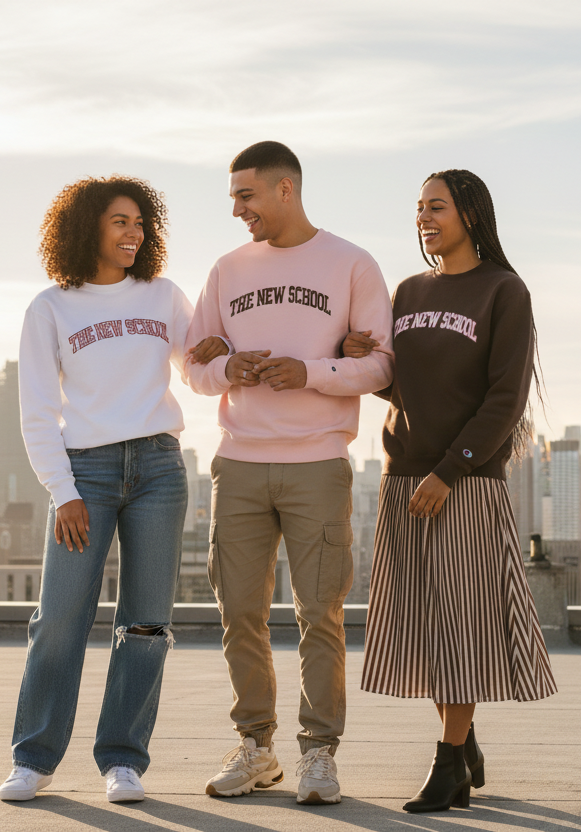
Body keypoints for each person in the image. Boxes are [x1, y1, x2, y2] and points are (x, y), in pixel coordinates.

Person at [0, 175, 229, 805]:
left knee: (146, 623)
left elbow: (200, 375)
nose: (134, 233)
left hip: (158, 466)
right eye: (120, 222)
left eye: (139, 223)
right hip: (86, 475)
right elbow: (38, 412)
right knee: (60, 618)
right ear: (87, 229)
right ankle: (35, 757)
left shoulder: (163, 296)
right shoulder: (51, 308)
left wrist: (223, 359)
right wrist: (62, 491)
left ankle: (123, 760)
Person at [183, 141, 394, 805]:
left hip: (318, 465)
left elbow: (383, 363)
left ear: (285, 190)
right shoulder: (225, 269)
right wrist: (227, 370)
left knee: (319, 616)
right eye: (233, 198)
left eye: (245, 196)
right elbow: (191, 365)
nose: (237, 209)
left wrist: (312, 372)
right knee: (239, 613)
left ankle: (319, 754)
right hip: (239, 464)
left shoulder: (352, 263)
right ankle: (257, 749)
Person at [344, 169, 557, 813]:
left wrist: (451, 471)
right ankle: (463, 746)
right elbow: (405, 388)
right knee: (427, 629)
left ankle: (448, 766)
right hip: (405, 479)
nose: (425, 218)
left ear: (470, 212)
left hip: (461, 486)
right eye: (419, 208)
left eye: (437, 206)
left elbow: (505, 400)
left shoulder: (504, 291)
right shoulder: (407, 291)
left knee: (461, 627)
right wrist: (361, 358)